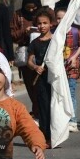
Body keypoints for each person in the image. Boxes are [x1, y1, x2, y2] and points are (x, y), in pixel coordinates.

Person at [10, 0, 42, 115]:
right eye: (28, 7)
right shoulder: (17, 15)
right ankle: (36, 109)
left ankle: (42, 109)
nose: (31, 10)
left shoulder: (43, 13)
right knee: (30, 85)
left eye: (33, 7)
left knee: (41, 85)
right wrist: (25, 31)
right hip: (25, 55)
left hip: (41, 54)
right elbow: (12, 34)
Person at [27, 8, 56, 146]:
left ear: (51, 24)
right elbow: (29, 61)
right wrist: (35, 67)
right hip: (40, 81)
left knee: (54, 107)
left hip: (54, 79)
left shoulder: (56, 41)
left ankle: (56, 134)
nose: (42, 26)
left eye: (45, 23)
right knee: (44, 107)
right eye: (39, 23)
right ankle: (45, 137)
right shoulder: (35, 43)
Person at [62, 10, 80, 132]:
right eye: (58, 18)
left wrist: (74, 57)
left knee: (71, 93)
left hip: (72, 67)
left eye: (63, 18)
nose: (61, 21)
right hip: (60, 68)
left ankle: (73, 121)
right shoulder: (56, 32)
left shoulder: (75, 31)